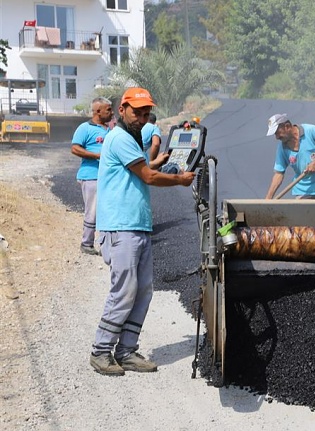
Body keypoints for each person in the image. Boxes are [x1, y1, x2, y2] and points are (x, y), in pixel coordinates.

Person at [90, 87, 195, 376]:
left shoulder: (132, 141)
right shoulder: (120, 137)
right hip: (120, 226)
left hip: (137, 225)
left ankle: (126, 350)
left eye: (147, 113)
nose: (142, 117)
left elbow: (145, 168)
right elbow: (147, 176)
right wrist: (179, 180)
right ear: (122, 109)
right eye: (137, 112)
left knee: (143, 290)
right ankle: (101, 351)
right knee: (124, 291)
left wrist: (162, 162)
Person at [70, 97, 113, 255]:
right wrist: (96, 155)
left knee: (106, 211)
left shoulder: (109, 130)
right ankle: (86, 243)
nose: (112, 112)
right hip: (91, 176)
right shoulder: (85, 128)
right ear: (97, 111)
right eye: (108, 109)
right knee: (93, 211)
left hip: (107, 177)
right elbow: (75, 148)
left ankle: (105, 245)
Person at [264, 113, 315, 199]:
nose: (277, 137)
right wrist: (268, 199)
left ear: (287, 126)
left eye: (278, 133)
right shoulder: (282, 148)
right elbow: (278, 174)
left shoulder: (310, 130)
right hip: (303, 190)